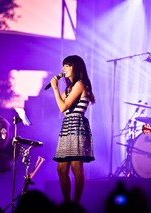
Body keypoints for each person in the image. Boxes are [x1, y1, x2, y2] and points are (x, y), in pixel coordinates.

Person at [51, 55, 95, 204]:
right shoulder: (70, 88)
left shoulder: (81, 84)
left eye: (67, 66)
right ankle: (67, 202)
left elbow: (63, 106)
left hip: (76, 125)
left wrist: (55, 88)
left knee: (76, 167)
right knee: (62, 169)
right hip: (67, 126)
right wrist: (59, 90)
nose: (63, 69)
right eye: (63, 66)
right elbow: (61, 108)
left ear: (75, 67)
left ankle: (75, 204)